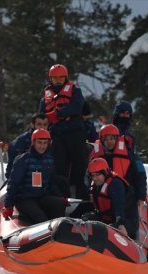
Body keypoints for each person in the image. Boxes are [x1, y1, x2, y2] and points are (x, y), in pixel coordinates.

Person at [38, 64, 89, 200]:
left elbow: (77, 106)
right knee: (59, 166)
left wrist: (58, 113)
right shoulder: (45, 98)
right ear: (50, 80)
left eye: (61, 77)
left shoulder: (75, 91)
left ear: (66, 78)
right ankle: (62, 198)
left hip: (74, 132)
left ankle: (82, 196)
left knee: (80, 164)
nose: (58, 81)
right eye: (55, 78)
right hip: (56, 135)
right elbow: (41, 115)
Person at [3, 128, 68, 224]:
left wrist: (60, 197)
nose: (42, 146)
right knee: (41, 218)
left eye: (45, 143)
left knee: (59, 205)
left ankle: (59, 233)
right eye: (39, 142)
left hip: (41, 197)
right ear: (33, 142)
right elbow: (13, 183)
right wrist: (8, 205)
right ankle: (45, 235)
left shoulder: (49, 160)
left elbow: (51, 183)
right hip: (24, 199)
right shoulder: (23, 159)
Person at [89, 124, 147, 207]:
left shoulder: (130, 156)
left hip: (126, 197)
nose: (109, 141)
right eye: (106, 139)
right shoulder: (95, 157)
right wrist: (91, 192)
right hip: (102, 198)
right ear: (102, 141)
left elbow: (141, 176)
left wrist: (141, 197)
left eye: (112, 138)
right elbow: (89, 176)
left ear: (117, 139)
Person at [83, 158, 137, 238]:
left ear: (105, 173)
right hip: (107, 218)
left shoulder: (115, 184)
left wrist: (120, 224)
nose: (94, 178)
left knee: (108, 229)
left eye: (97, 175)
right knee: (86, 218)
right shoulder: (96, 184)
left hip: (125, 220)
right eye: (93, 175)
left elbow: (119, 206)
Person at [6, 113, 49, 179]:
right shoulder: (22, 141)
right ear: (32, 125)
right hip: (25, 177)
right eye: (39, 124)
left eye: (45, 124)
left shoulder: (50, 139)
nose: (42, 127)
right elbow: (12, 164)